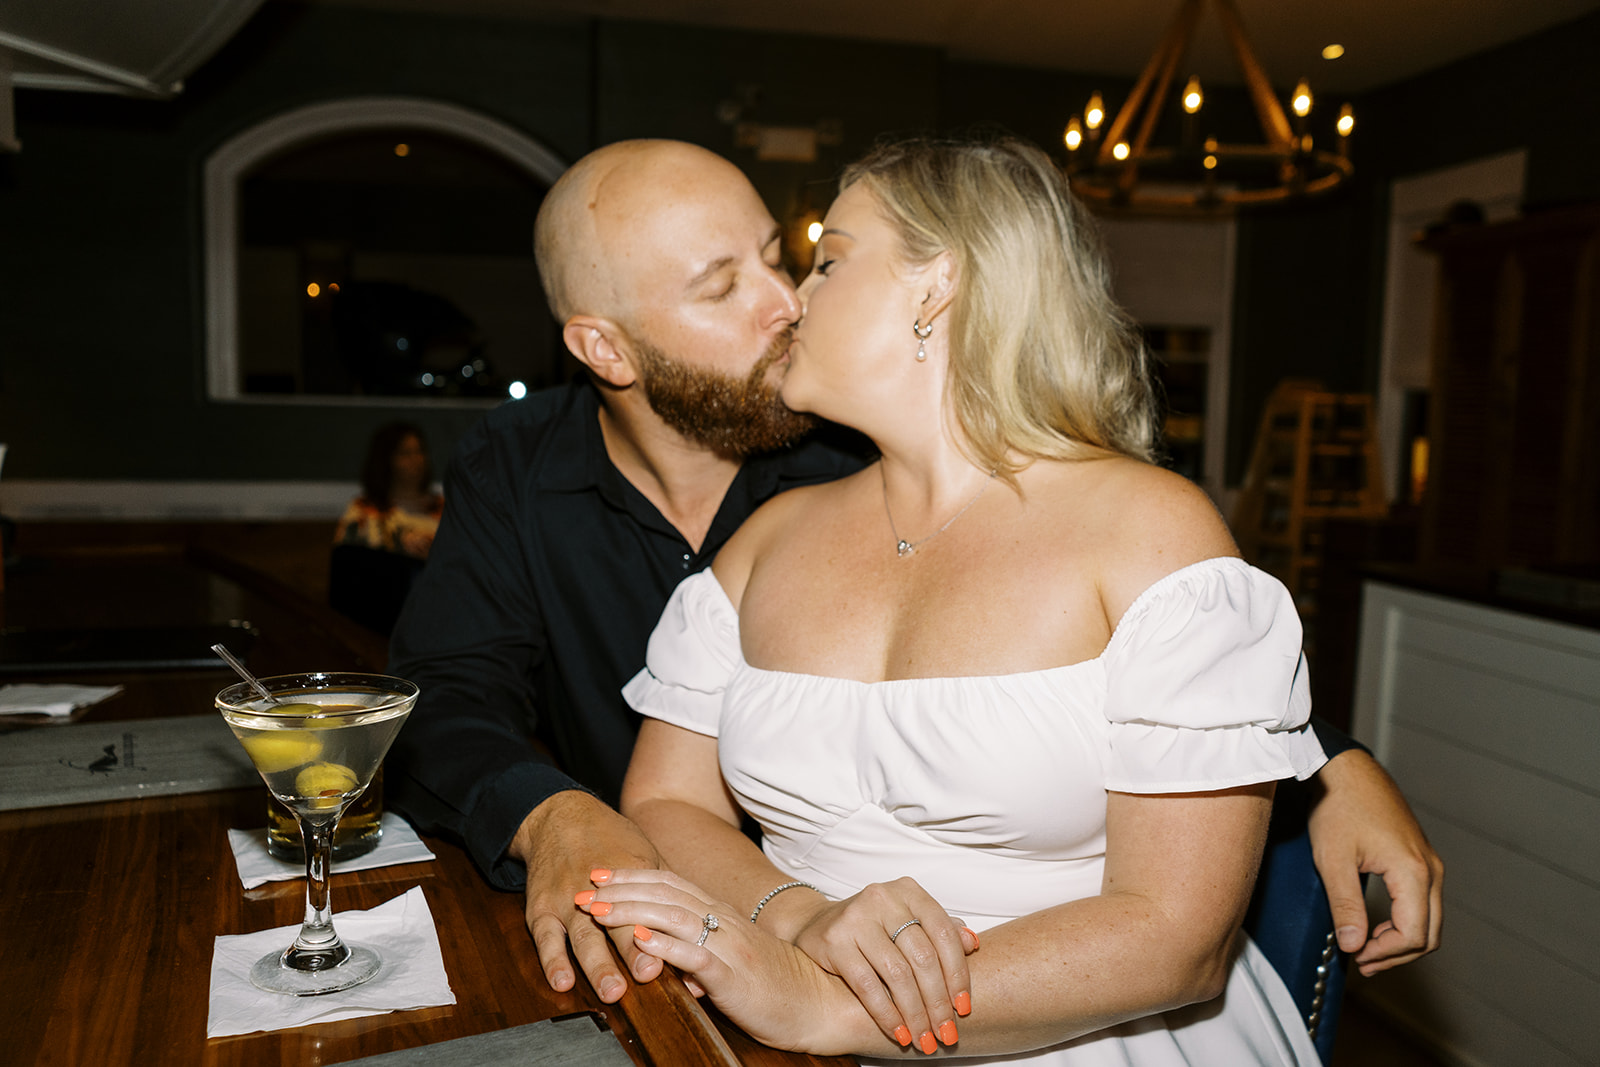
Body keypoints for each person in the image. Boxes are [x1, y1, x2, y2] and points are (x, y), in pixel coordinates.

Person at [384, 138, 1443, 1021]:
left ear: (936, 289)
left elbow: (1169, 661)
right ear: (603, 348)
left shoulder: (856, 441)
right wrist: (569, 820)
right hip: (702, 942)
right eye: (724, 286)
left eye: (796, 258)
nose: (785, 302)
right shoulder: (534, 470)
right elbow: (457, 698)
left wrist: (1332, 760)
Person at [334, 422, 444, 560]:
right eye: (405, 454)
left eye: (420, 451)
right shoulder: (364, 511)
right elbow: (348, 563)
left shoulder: (445, 509)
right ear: (387, 460)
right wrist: (401, 543)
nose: (416, 460)